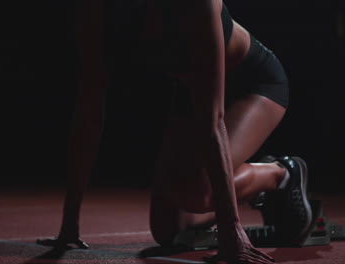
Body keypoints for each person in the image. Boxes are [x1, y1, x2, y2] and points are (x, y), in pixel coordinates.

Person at [40, 0, 313, 263]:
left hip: (252, 84)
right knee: (171, 229)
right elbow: (88, 114)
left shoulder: (197, 4)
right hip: (193, 91)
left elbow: (212, 120)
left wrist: (232, 229)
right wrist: (70, 224)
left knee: (198, 194)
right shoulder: (96, 8)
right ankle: (248, 180)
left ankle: (281, 174)